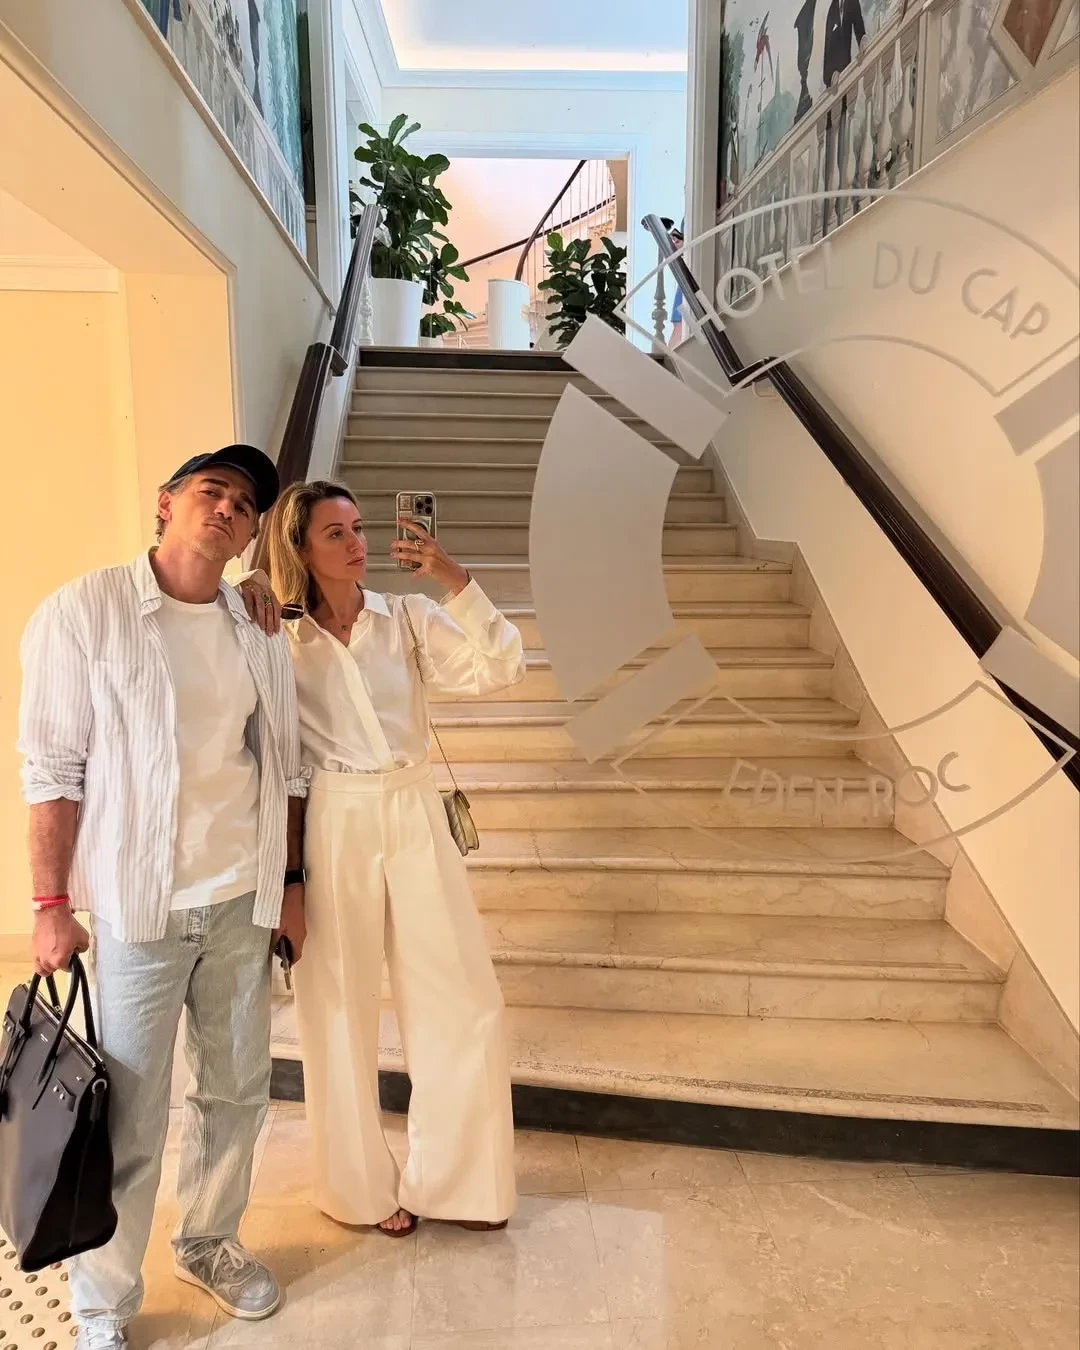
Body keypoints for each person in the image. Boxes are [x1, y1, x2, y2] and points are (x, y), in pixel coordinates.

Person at [19, 446, 308, 1350]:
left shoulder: (256, 625)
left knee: (236, 1094)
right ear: (166, 502)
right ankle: (103, 1302)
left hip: (238, 901)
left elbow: (283, 763)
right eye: (210, 490)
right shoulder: (83, 612)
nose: (226, 508)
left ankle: (208, 1242)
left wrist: (289, 884)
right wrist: (50, 903)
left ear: (251, 533)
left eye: (244, 504)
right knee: (130, 1117)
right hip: (140, 912)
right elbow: (52, 769)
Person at [240, 479, 523, 1237]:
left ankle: (462, 1184)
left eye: (358, 528)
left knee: (462, 997)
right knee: (336, 1007)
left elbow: (503, 665)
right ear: (300, 548)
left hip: (413, 805)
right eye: (334, 533)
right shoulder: (277, 639)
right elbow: (274, 756)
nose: (356, 543)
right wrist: (289, 880)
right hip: (334, 816)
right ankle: (356, 1190)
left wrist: (453, 578)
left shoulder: (408, 617)